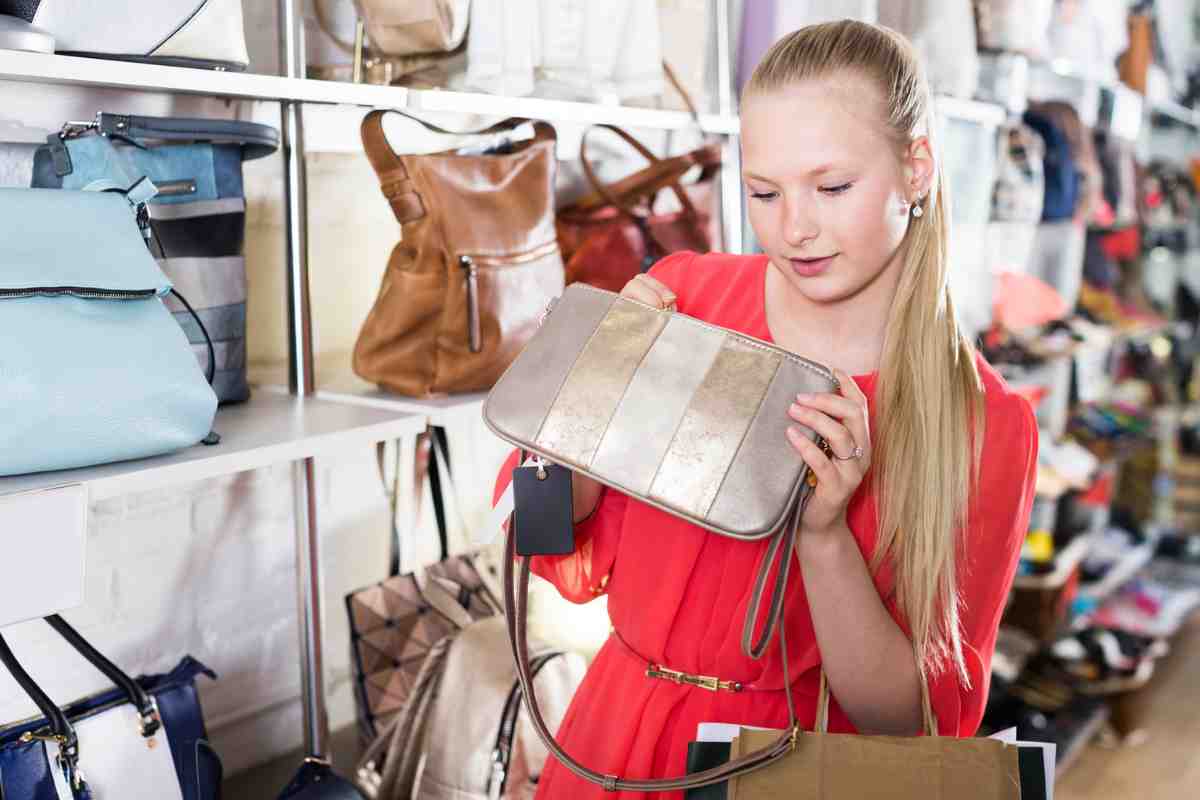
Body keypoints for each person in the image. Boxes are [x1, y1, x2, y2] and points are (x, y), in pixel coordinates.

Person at [491, 19, 1037, 799]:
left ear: (916, 168)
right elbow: (540, 538)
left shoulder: (983, 421)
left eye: (832, 187)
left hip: (794, 772)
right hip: (613, 738)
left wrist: (823, 536)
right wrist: (583, 402)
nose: (795, 227)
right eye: (764, 192)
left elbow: (910, 721)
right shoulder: (688, 297)